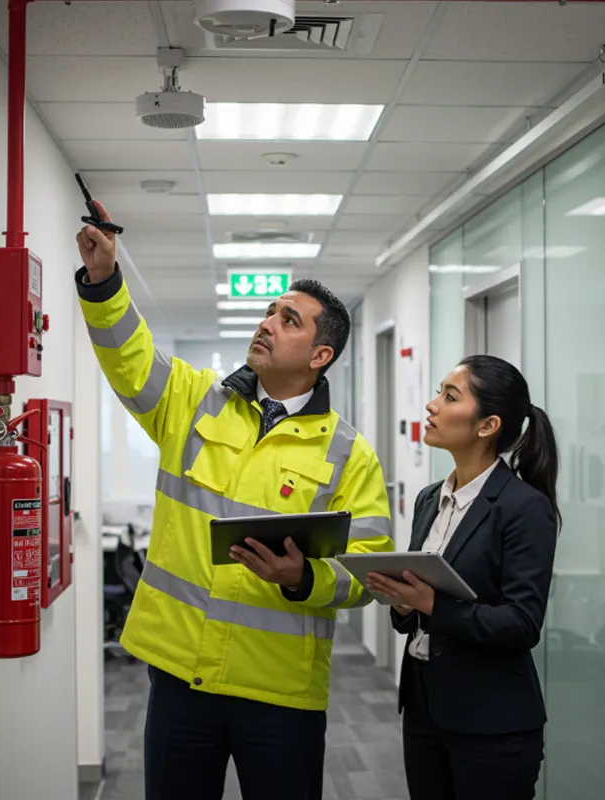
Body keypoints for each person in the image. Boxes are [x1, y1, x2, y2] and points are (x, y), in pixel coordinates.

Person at [75, 203, 393, 800]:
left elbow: (369, 569)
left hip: (279, 692)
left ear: (320, 355)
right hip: (179, 677)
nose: (268, 322)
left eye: (289, 319)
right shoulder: (194, 401)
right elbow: (129, 358)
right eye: (270, 311)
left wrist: (305, 578)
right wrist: (104, 281)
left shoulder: (351, 454)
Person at [365, 355, 560, 800]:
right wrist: (401, 600)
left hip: (492, 724)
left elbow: (521, 623)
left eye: (449, 396)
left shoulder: (524, 508)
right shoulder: (430, 498)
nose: (432, 405)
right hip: (424, 708)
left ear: (487, 425)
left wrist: (432, 604)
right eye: (438, 391)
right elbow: (417, 609)